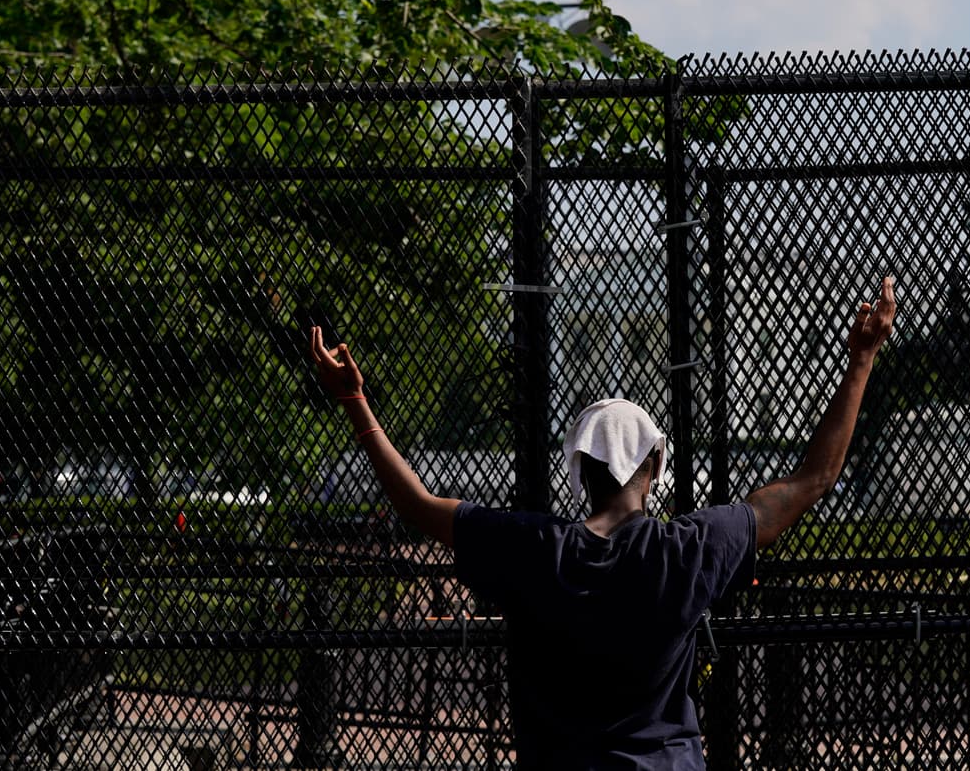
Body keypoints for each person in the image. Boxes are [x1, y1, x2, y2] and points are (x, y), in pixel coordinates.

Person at [310, 275, 896, 770]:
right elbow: (811, 482)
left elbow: (417, 504)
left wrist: (356, 403)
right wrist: (861, 362)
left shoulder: (534, 549)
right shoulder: (689, 550)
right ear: (656, 465)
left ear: (580, 472)